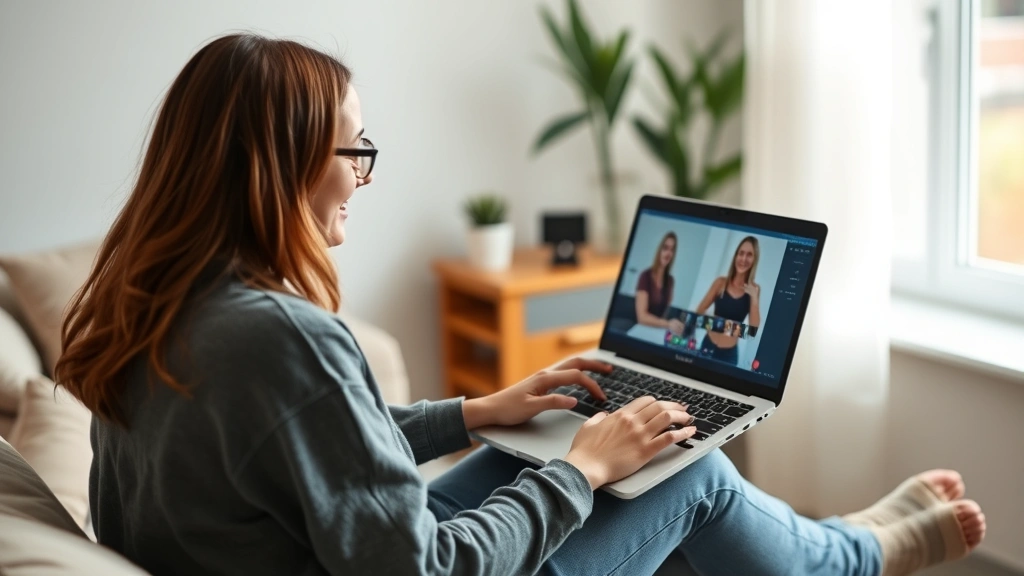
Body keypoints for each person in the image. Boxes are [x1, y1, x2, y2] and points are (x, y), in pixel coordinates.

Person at [55, 34, 984, 576]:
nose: (363, 176)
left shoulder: (152, 302)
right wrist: (579, 472)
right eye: (354, 150)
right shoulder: (283, 337)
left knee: (529, 454)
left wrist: (475, 414)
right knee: (678, 468)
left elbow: (307, 447)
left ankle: (833, 539)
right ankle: (856, 555)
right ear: (282, 167)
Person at [695, 236, 762, 365]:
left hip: (729, 356)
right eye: (741, 253)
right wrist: (717, 325)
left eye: (749, 255)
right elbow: (699, 311)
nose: (743, 259)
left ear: (754, 260)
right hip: (707, 346)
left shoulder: (754, 289)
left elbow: (753, 329)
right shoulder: (720, 283)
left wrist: (754, 298)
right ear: (736, 256)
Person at [634, 232, 685, 335]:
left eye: (672, 250)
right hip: (641, 328)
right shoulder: (645, 276)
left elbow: (664, 313)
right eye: (665, 248)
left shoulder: (670, 280)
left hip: (658, 329)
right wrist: (667, 324)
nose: (668, 253)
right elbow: (642, 317)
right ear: (659, 250)